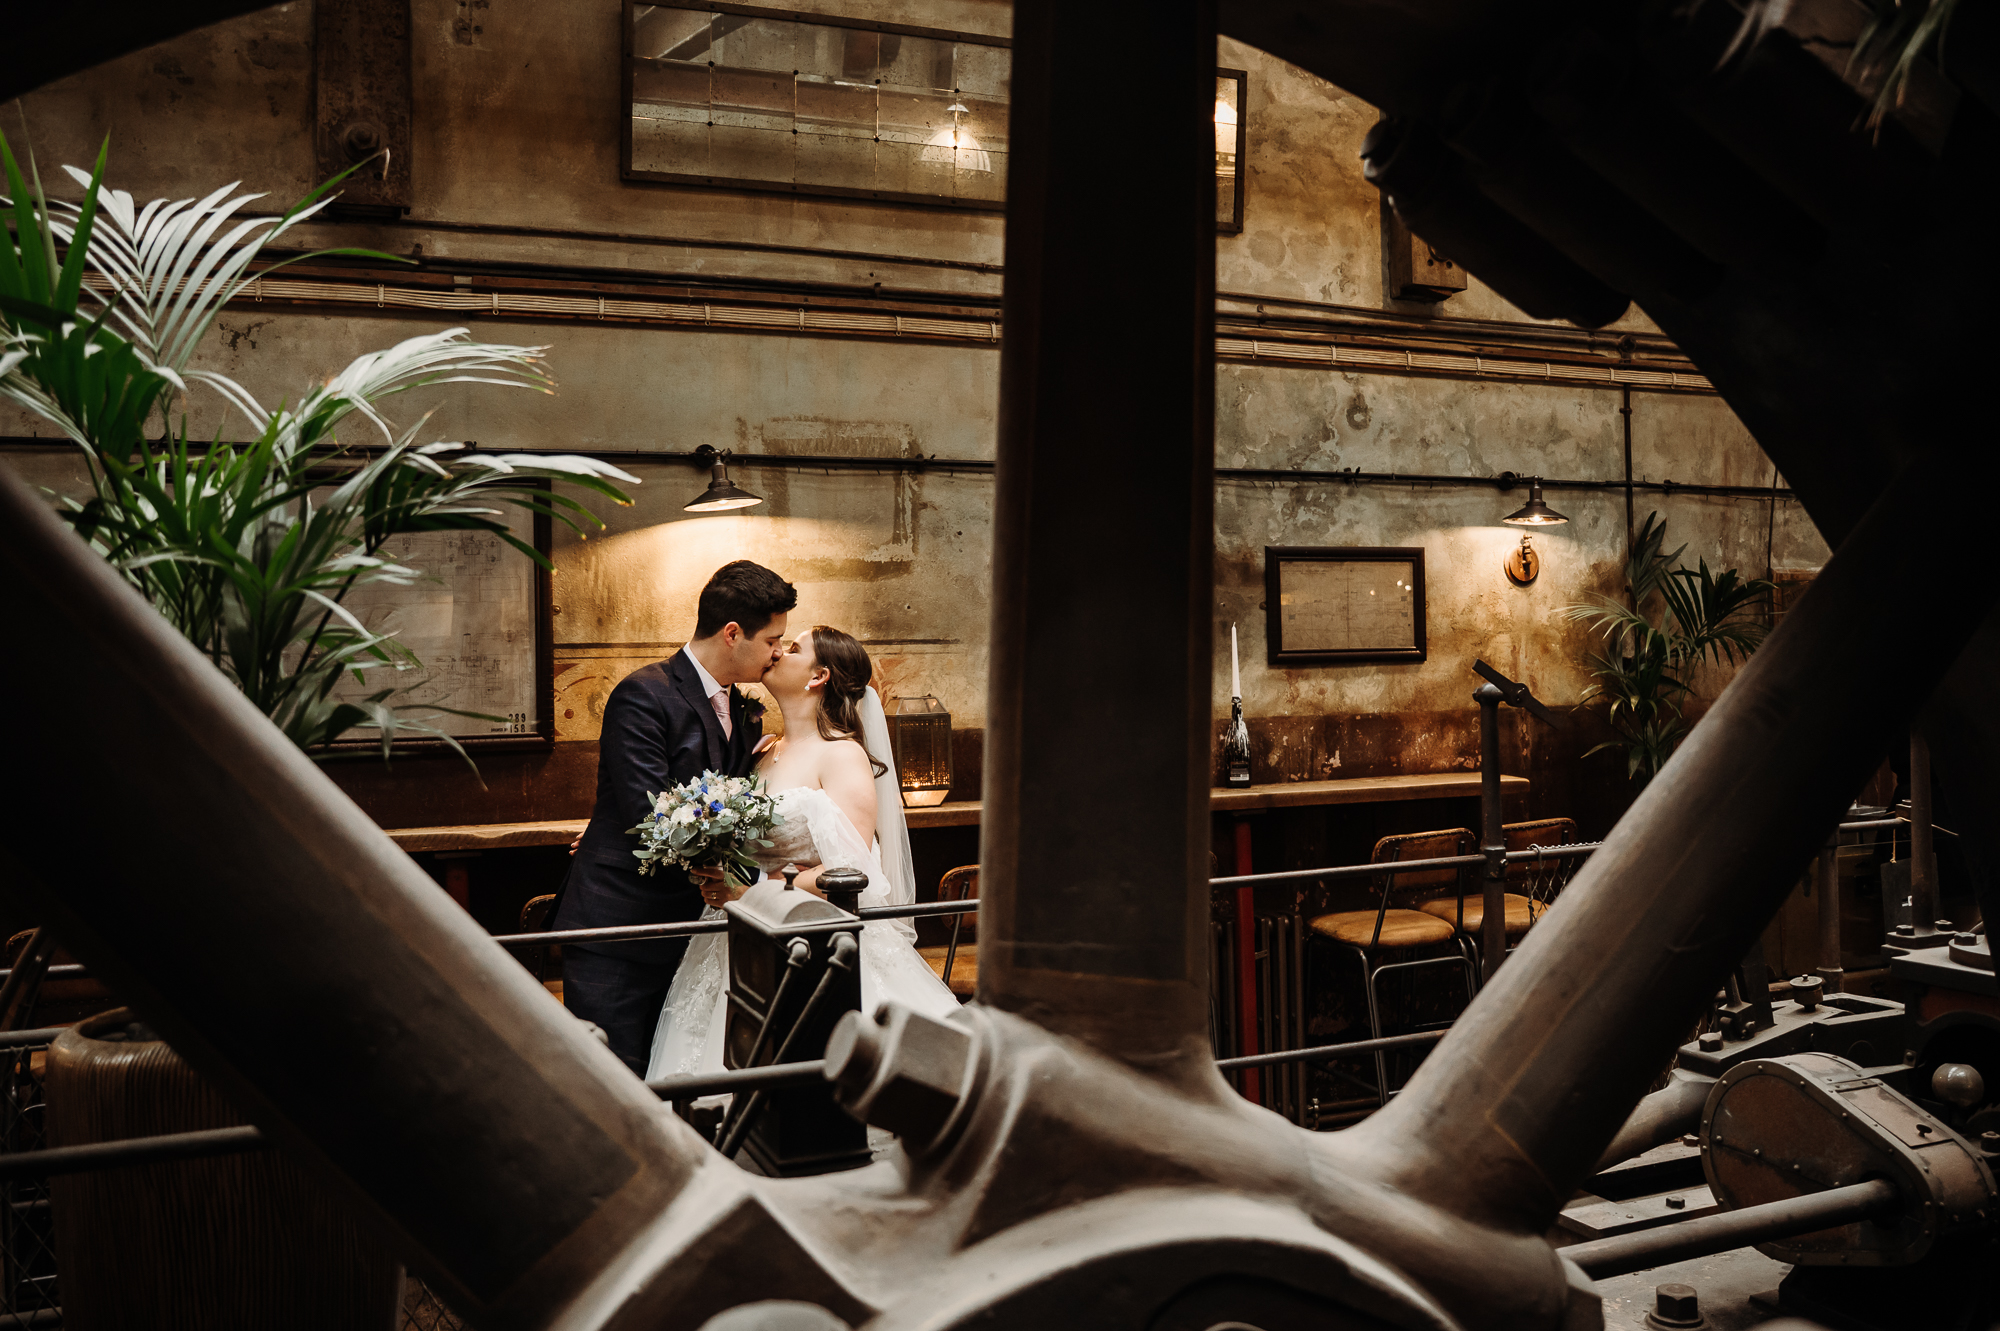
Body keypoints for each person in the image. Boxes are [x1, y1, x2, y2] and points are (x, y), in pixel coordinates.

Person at [646, 625, 960, 1082]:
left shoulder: (841, 755)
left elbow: (854, 870)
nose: (777, 652)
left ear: (819, 677)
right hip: (736, 933)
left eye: (793, 648)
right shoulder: (761, 750)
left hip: (807, 942)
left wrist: (755, 889)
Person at [551, 560, 797, 1077]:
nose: (778, 652)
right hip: (619, 931)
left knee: (671, 1083)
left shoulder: (746, 711)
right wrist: (748, 879)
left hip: (690, 935)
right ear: (733, 633)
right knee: (612, 1081)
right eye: (773, 639)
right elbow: (650, 813)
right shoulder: (644, 693)